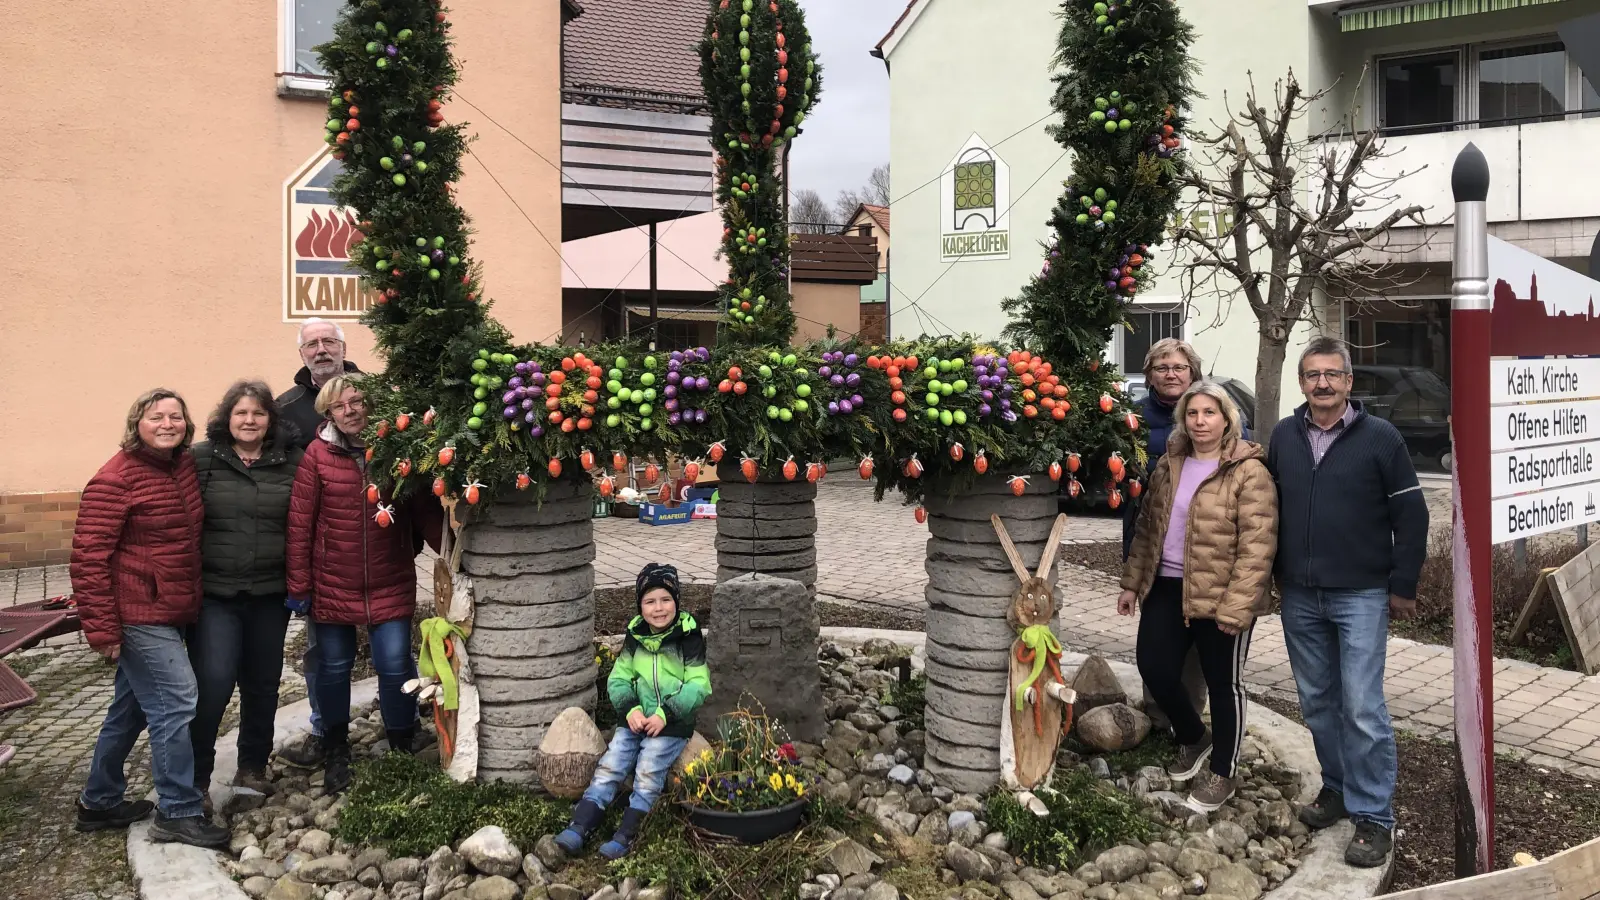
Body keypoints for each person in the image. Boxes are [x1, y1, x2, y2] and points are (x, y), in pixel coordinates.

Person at [1267, 336, 1427, 869]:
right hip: (1301, 595)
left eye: (1332, 374)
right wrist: (1270, 576)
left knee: (1361, 706)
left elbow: (1412, 516)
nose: (1323, 383)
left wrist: (1403, 584)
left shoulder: (1381, 438)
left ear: (1349, 381)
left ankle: (1375, 816)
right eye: (1313, 375)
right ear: (1302, 382)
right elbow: (1270, 513)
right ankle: (1336, 789)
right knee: (1317, 702)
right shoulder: (1284, 437)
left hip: (1360, 593)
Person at [71, 389, 229, 848]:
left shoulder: (179, 466)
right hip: (137, 613)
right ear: (136, 423)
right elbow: (88, 559)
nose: (167, 424)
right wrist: (100, 628)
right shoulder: (115, 480)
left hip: (170, 607)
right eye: (155, 416)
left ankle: (99, 801)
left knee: (133, 706)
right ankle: (177, 811)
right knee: (177, 701)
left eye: (175, 416)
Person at [1118, 382, 1277, 813]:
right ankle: (1194, 737)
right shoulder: (1171, 464)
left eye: (1209, 413)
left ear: (1227, 419)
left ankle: (1223, 771)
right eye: (1192, 414)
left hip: (1221, 594)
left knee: (1225, 686)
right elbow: (1149, 529)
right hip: (1167, 587)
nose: (1200, 421)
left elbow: (1257, 547)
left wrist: (1238, 606)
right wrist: (1133, 583)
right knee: (1153, 667)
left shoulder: (1248, 471)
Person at [287, 375, 438, 793]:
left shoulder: (394, 449)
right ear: (328, 413)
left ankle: (402, 744)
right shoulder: (317, 456)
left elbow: (421, 507)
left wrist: (454, 549)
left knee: (394, 665)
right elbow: (300, 525)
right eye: (340, 406)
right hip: (333, 583)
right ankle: (336, 749)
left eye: (357, 402)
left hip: (390, 579)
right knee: (333, 669)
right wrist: (299, 585)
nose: (350, 411)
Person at [187, 381, 304, 800]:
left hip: (270, 594)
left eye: (258, 413)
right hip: (216, 594)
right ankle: (195, 778)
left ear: (270, 419)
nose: (249, 420)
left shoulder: (292, 461)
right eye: (241, 413)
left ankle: (252, 766)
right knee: (214, 681)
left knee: (263, 683)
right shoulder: (202, 459)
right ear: (227, 418)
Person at [554, 563, 711, 860]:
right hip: (636, 719)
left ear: (676, 601)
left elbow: (698, 684)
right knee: (612, 763)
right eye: (650, 601)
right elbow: (619, 678)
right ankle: (582, 823)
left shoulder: (688, 636)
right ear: (640, 606)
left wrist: (666, 713)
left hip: (671, 722)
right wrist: (630, 709)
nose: (659, 608)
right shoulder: (636, 635)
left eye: (666, 599)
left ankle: (628, 832)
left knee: (649, 768)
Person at [276, 318, 361, 769]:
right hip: (321, 553)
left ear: (344, 347)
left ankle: (405, 716)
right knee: (321, 652)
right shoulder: (285, 408)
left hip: (374, 548)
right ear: (302, 353)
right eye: (313, 344)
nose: (321, 349)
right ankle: (324, 728)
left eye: (329, 341)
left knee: (393, 648)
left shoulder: (375, 394)